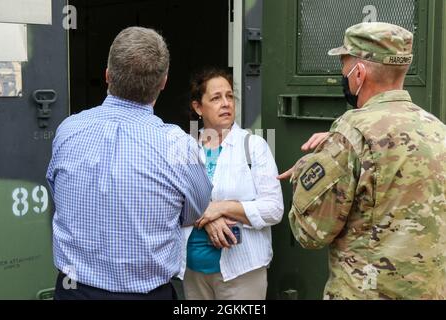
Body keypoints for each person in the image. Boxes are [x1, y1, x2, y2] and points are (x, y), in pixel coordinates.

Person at [278, 22, 446, 300]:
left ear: (359, 73)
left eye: (344, 66)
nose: (342, 74)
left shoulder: (351, 133)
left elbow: (310, 233)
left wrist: (308, 170)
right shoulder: (438, 130)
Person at [46, 27, 212, 300]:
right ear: (163, 82)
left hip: (74, 292)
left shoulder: (68, 130)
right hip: (147, 294)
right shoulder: (180, 146)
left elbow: (58, 194)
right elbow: (194, 213)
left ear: (108, 75)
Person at [178, 68, 284, 300]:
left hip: (241, 271)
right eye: (216, 98)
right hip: (193, 269)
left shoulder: (254, 146)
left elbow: (274, 209)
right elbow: (173, 203)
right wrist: (208, 216)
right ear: (198, 107)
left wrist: (223, 207)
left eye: (229, 96)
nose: (226, 103)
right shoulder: (185, 148)